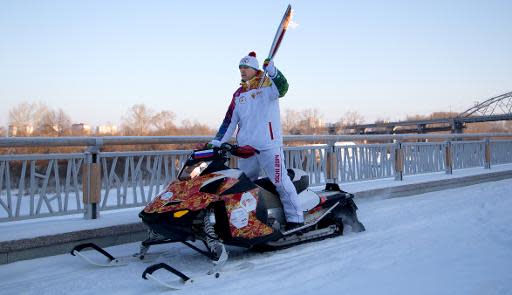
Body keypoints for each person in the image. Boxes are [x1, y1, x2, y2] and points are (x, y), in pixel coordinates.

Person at [210, 51, 304, 230]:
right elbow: (229, 120)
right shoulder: (239, 94)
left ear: (255, 69)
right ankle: (251, 223)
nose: (242, 70)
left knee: (280, 182)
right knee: (246, 186)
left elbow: (283, 88)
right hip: (246, 149)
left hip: (269, 146)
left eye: (246, 67)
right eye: (240, 67)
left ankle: (296, 219)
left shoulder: (268, 85)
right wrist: (217, 142)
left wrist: (274, 71)